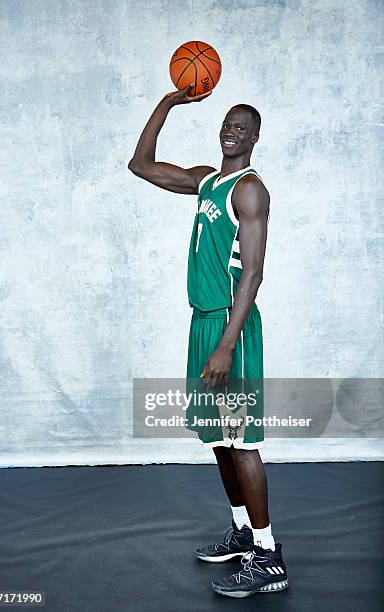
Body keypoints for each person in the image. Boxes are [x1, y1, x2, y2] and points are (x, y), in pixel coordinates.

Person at [128, 83, 288, 598]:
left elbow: (254, 273)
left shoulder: (249, 189)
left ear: (255, 137)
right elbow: (141, 164)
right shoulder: (206, 183)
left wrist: (225, 343)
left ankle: (268, 556)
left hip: (230, 327)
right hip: (203, 321)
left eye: (240, 127)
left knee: (243, 443)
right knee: (218, 439)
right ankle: (242, 531)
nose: (230, 132)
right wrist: (169, 103)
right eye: (225, 124)